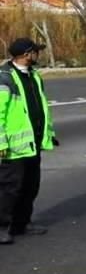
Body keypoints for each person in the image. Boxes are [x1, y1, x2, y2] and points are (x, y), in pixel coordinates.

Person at [0, 38, 56, 245]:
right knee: (9, 189)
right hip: (12, 148)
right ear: (26, 55)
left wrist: (47, 135)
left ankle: (22, 223)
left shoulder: (34, 76)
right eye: (35, 52)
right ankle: (2, 227)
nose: (37, 55)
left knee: (30, 186)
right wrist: (1, 144)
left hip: (33, 143)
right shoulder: (5, 79)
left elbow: (39, 106)